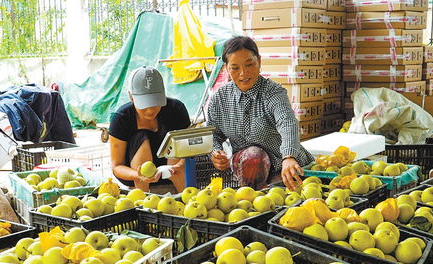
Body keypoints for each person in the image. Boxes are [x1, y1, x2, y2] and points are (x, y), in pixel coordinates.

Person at [206, 36, 314, 190]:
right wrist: (216, 153)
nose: (243, 73)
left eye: (249, 64)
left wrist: (289, 156)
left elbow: (287, 122)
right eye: (235, 68)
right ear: (226, 68)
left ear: (259, 61)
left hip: (283, 166)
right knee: (253, 157)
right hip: (247, 170)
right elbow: (212, 134)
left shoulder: (273, 92)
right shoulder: (220, 98)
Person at [109, 66, 191, 192]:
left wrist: (179, 166)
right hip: (136, 175)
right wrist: (138, 175)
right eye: (144, 104)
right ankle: (142, 198)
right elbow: (116, 166)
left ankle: (186, 198)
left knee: (175, 141)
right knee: (141, 137)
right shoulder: (122, 118)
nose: (151, 110)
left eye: (155, 102)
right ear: (131, 97)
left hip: (172, 170)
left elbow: (189, 149)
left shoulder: (176, 109)